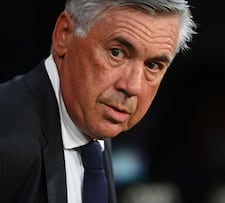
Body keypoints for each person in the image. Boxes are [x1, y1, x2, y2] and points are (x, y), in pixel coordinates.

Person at [0, 0, 197, 202]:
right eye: (116, 52)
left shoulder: (93, 122)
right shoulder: (7, 134)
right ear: (65, 34)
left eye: (153, 65)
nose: (132, 86)